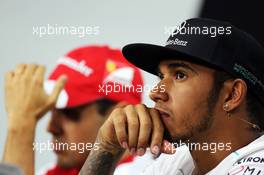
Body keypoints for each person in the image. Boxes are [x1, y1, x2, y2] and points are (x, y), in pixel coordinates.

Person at [79, 18, 264, 175]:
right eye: (161, 76)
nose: (155, 92)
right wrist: (106, 148)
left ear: (232, 95)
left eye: (180, 75)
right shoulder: (176, 162)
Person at [3, 45, 150, 175]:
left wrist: (22, 124)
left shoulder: (148, 171)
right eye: (51, 109)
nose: (51, 127)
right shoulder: (55, 171)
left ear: (120, 117)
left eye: (69, 113)